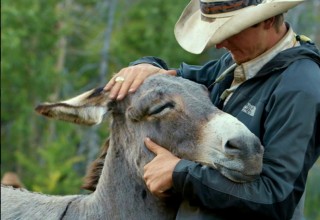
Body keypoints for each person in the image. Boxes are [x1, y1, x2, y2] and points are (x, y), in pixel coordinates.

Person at [104, 0, 320, 219]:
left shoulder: (300, 88)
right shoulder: (236, 63)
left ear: (268, 20)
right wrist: (142, 68)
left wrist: (179, 174)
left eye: (230, 30)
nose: (219, 44)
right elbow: (176, 79)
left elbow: (276, 197)